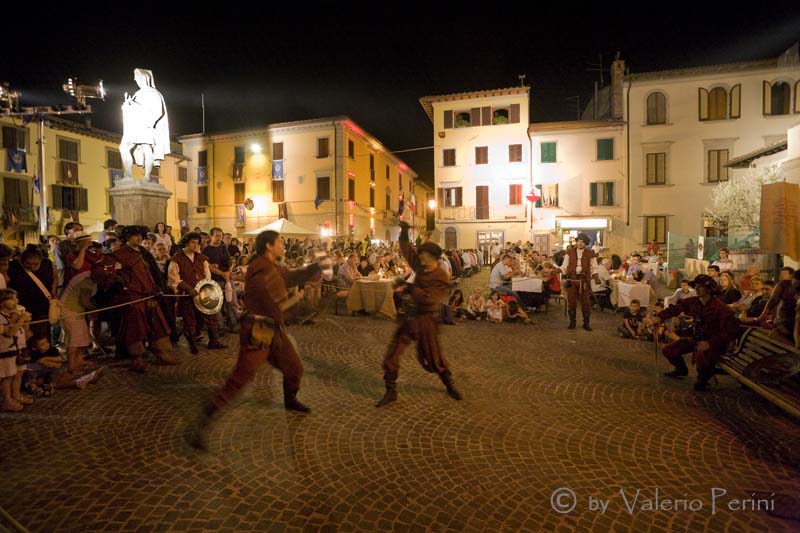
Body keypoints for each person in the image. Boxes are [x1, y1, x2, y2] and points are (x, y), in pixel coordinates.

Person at [187, 230, 326, 450]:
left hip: (274, 330)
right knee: (240, 379)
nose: (284, 245)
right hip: (259, 331)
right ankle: (205, 419)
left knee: (294, 369)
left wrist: (315, 267)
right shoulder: (261, 272)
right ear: (269, 246)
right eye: (280, 242)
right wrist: (296, 303)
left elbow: (290, 277)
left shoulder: (272, 267)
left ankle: (290, 400)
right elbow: (276, 304)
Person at [375, 221, 461, 408]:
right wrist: (404, 232)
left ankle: (449, 384)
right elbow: (408, 252)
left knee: (433, 357)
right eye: (420, 255)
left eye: (424, 255)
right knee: (393, 352)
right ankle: (391, 391)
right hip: (410, 318)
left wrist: (409, 287)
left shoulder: (441, 276)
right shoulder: (421, 266)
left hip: (427, 321)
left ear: (433, 258)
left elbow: (430, 300)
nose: (420, 258)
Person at [92, 225, 179, 372]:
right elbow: (100, 272)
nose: (138, 238)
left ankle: (160, 352)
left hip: (149, 295)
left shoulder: (144, 253)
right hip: (133, 297)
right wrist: (117, 278)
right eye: (134, 236)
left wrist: (157, 288)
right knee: (135, 328)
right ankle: (136, 357)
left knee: (157, 324)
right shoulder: (119, 254)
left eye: (140, 235)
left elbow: (152, 274)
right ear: (127, 237)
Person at [647, 274, 739, 391]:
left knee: (701, 354)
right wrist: (659, 317)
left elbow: (729, 332)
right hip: (697, 338)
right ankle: (681, 369)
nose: (696, 288)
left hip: (714, 343)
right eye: (696, 286)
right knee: (669, 350)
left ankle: (703, 378)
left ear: (709, 289)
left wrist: (710, 343)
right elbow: (677, 308)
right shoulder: (694, 302)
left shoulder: (721, 308)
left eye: (700, 286)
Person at [169, 232, 226, 354]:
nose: (195, 245)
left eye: (197, 242)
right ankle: (192, 344)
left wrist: (207, 289)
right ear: (186, 243)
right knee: (190, 319)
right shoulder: (177, 259)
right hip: (187, 295)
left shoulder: (202, 258)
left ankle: (214, 341)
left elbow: (207, 276)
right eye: (192, 242)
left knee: (211, 315)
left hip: (203, 293)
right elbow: (173, 278)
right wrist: (188, 288)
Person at [120, 68, 170, 182]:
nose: (136, 81)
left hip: (146, 126)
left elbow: (158, 112)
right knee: (123, 147)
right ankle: (128, 176)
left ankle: (147, 176)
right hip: (134, 127)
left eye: (138, 78)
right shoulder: (137, 94)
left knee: (146, 147)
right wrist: (127, 105)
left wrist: (149, 123)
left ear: (145, 78)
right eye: (135, 79)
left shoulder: (154, 93)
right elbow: (131, 111)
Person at [560, 233, 600, 330]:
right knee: (571, 302)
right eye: (578, 241)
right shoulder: (569, 252)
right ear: (576, 242)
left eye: (582, 242)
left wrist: (596, 277)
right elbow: (564, 267)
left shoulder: (590, 253)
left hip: (584, 280)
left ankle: (586, 323)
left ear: (585, 243)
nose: (580, 243)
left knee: (586, 302)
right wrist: (554, 271)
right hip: (572, 280)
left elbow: (594, 267)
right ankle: (572, 322)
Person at [0, 289, 32, 412]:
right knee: (7, 376)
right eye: (11, 299)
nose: (15, 301)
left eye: (16, 298)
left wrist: (26, 322)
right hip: (6, 350)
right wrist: (20, 319)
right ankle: (7, 400)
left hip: (19, 349)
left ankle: (16, 395)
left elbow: (27, 334)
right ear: (2, 302)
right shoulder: (2, 317)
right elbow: (9, 333)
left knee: (19, 373)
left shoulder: (15, 314)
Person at [203, 227, 237, 333]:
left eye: (220, 236)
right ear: (211, 236)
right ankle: (219, 327)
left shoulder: (223, 248)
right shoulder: (206, 250)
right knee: (217, 305)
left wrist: (229, 272)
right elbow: (208, 266)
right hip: (216, 280)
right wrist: (222, 274)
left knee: (232, 302)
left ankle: (234, 324)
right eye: (217, 236)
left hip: (227, 279)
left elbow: (229, 261)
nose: (219, 238)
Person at [758, 268, 799, 344]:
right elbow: (773, 300)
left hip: (787, 328)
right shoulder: (784, 284)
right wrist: (764, 315)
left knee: (774, 334)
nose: (796, 293)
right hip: (782, 324)